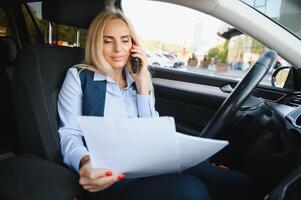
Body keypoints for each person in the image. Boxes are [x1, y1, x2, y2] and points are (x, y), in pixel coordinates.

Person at [58, 8, 256, 200]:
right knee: (192, 191)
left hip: (150, 161)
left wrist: (143, 83)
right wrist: (86, 162)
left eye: (125, 40)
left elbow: (152, 132)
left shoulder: (136, 78)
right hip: (111, 174)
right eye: (107, 41)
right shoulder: (79, 77)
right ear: (96, 44)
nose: (118, 49)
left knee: (238, 183)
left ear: (133, 45)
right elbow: (70, 135)